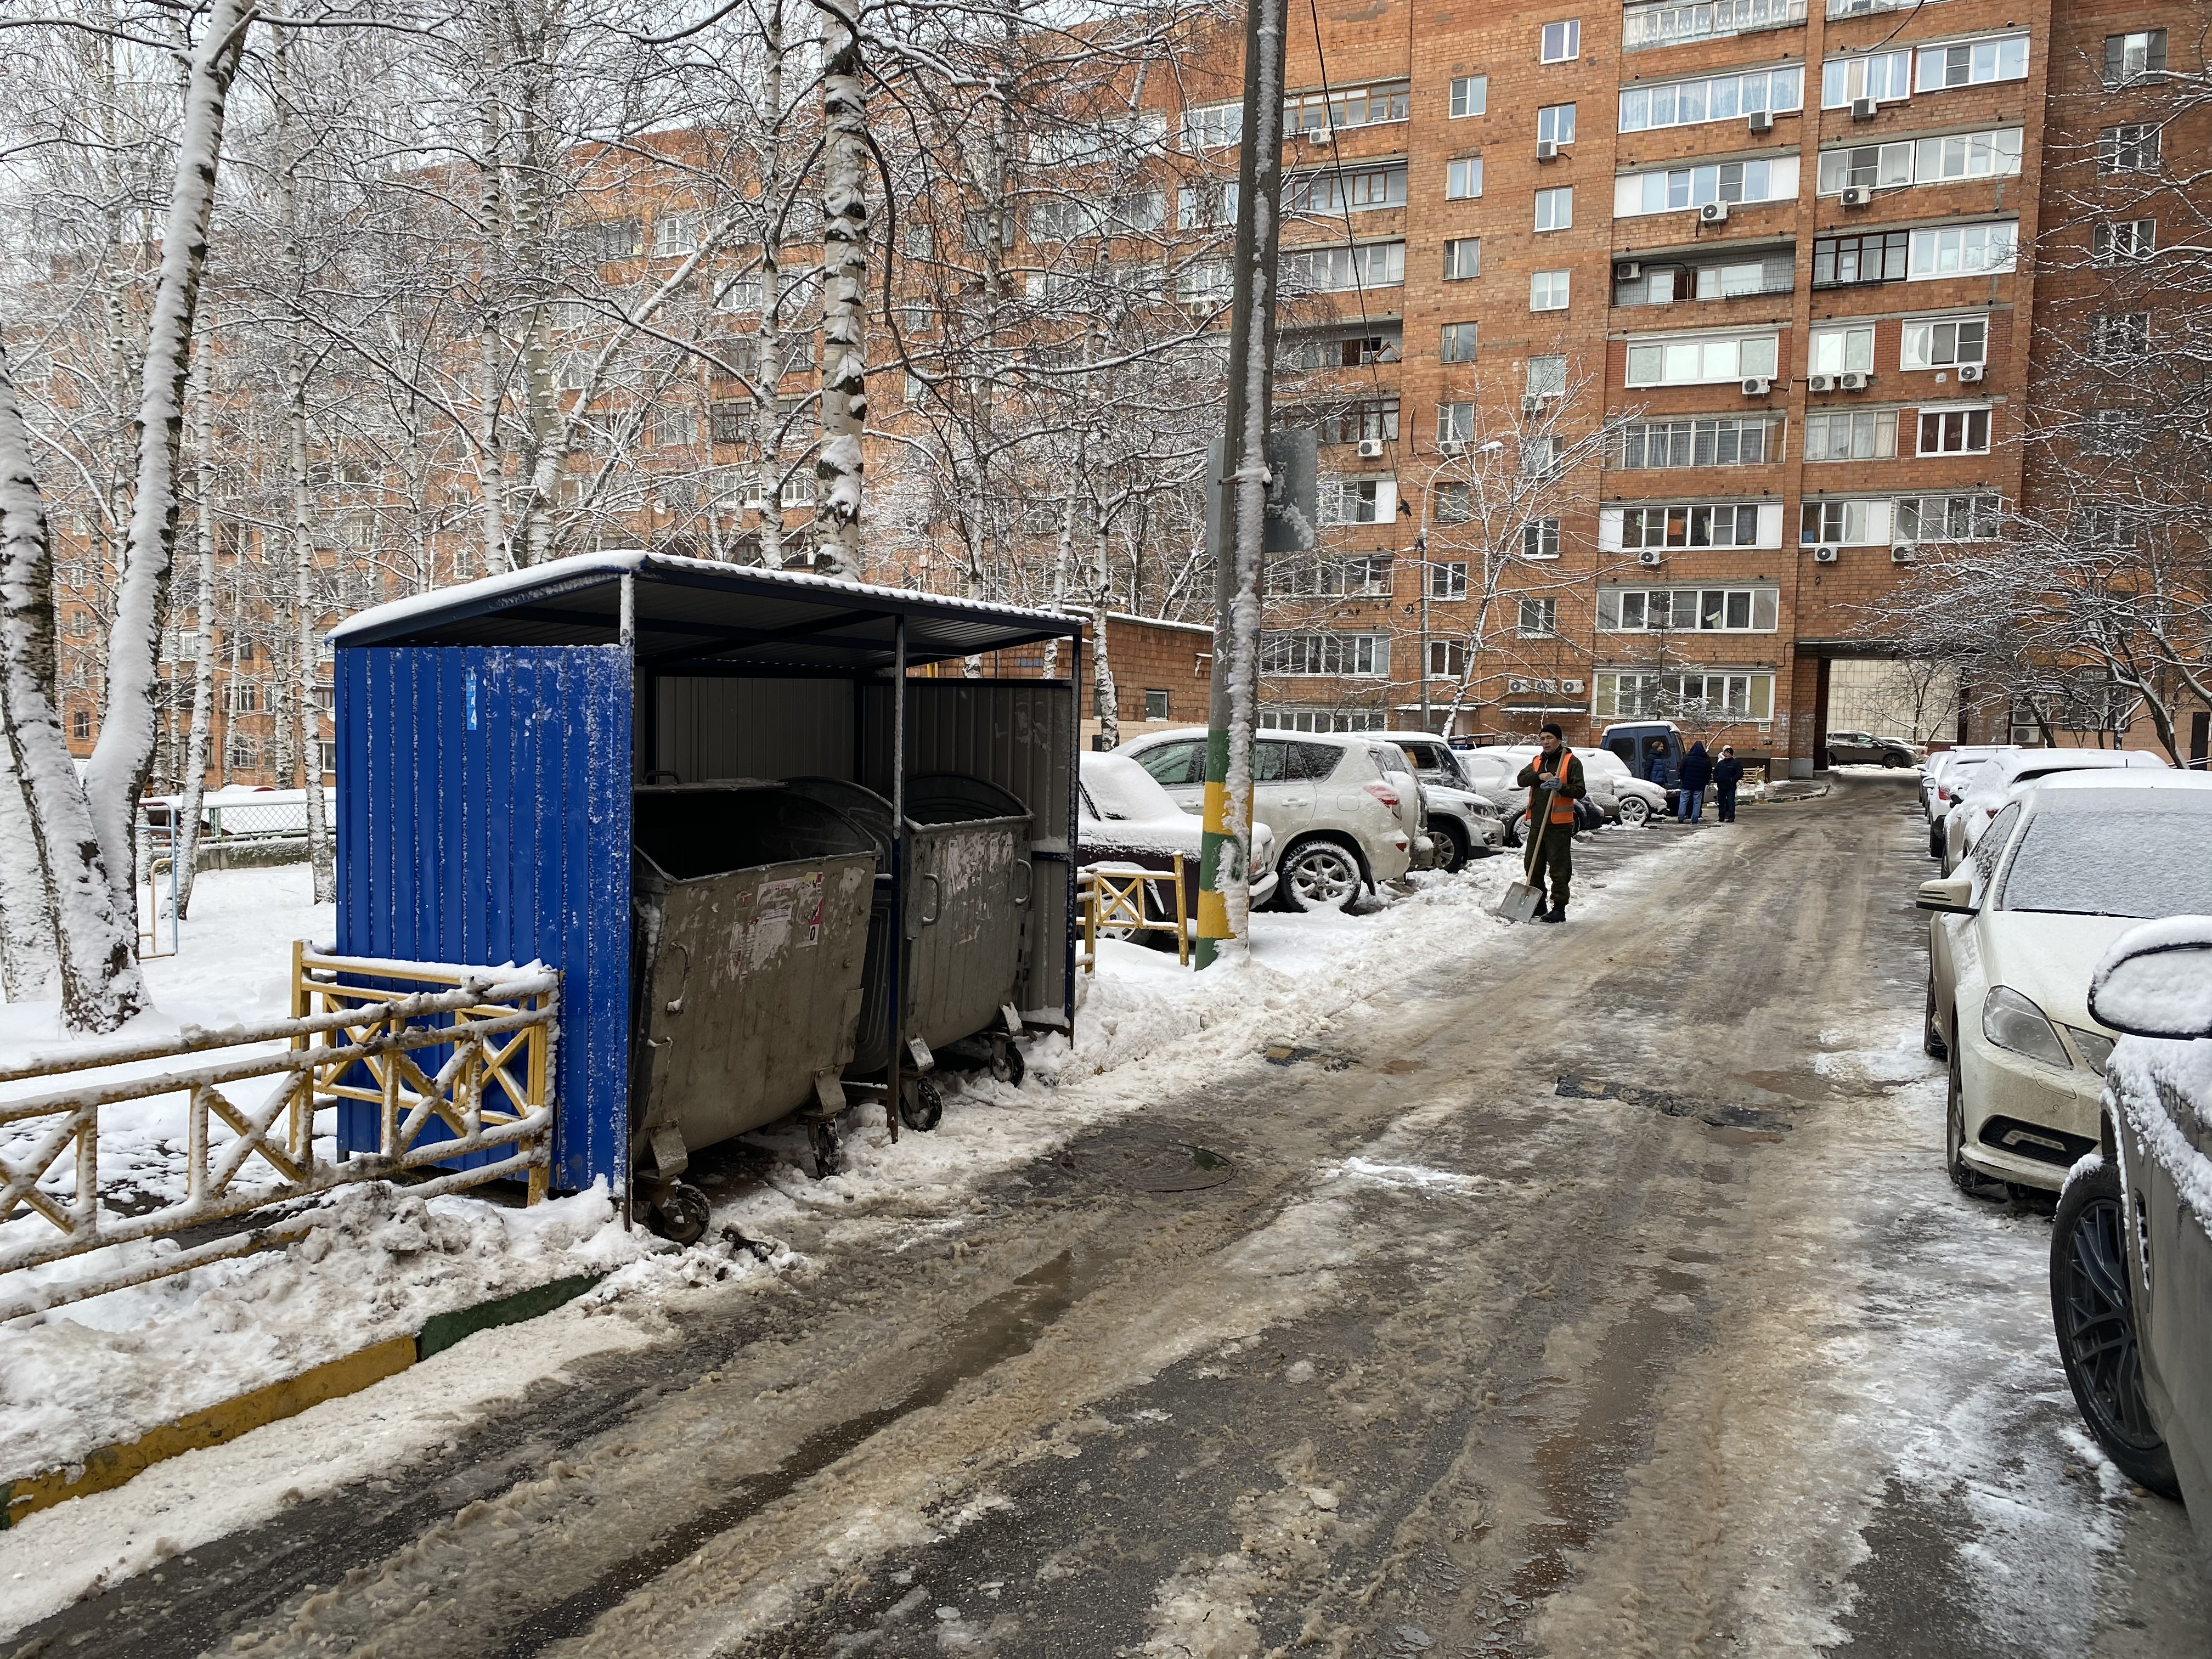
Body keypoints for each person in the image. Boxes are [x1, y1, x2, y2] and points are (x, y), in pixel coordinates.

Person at [1515, 723, 1586, 923]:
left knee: (1559, 868)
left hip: (1559, 825)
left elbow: (1580, 790)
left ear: (1559, 740)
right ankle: (1539, 904)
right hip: (1538, 822)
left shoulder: (1571, 761)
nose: (1546, 742)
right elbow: (1521, 779)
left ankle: (1559, 908)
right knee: (1532, 865)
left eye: (1550, 738)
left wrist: (1562, 787)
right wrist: (1539, 777)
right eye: (1543, 738)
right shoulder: (1538, 761)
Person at [1678, 740, 1712, 822]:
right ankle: (1695, 819)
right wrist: (1705, 782)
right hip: (1699, 785)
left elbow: (1682, 770)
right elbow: (1708, 772)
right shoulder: (1706, 759)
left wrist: (1684, 779)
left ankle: (1681, 817)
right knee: (1697, 802)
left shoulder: (1687, 757)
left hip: (1687, 783)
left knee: (1684, 800)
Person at [1713, 745, 1745, 822]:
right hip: (1721, 786)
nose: (1726, 754)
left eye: (1728, 753)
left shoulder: (1735, 763)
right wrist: (1717, 779)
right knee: (1721, 803)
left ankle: (1731, 817)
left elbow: (1740, 773)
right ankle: (1721, 817)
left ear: (1731, 754)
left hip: (1730, 786)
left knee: (1730, 802)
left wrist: (1733, 780)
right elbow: (1715, 772)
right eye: (1725, 753)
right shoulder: (1721, 763)